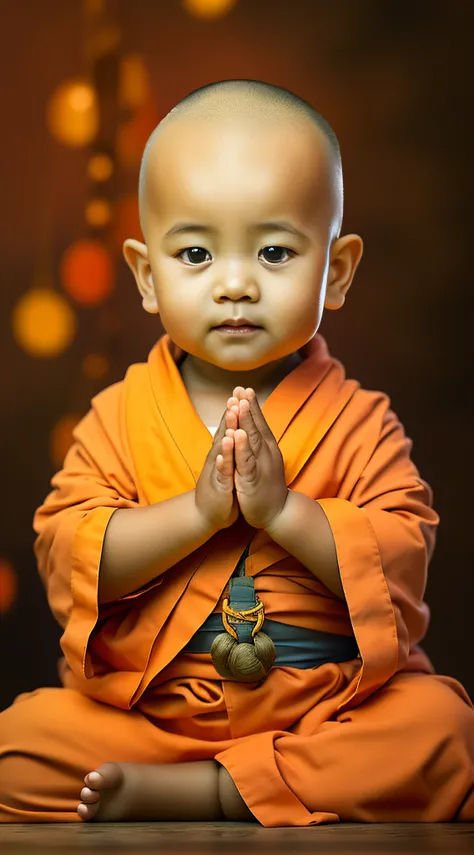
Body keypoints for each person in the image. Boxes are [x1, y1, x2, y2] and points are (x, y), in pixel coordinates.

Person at [1, 79, 473, 826]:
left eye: (275, 251)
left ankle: (216, 790)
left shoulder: (360, 422)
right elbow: (68, 552)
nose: (233, 283)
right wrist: (195, 514)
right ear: (146, 275)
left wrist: (284, 512)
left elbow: (402, 562)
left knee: (442, 731)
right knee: (20, 742)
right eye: (194, 252)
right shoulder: (119, 416)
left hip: (320, 714)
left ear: (338, 270)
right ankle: (210, 779)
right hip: (152, 717)